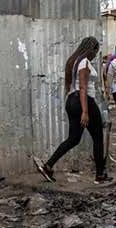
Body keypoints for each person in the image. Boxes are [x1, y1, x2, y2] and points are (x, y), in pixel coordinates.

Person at [34, 36, 111, 183]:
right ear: (92, 49)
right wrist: (85, 112)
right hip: (84, 101)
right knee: (98, 138)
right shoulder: (84, 63)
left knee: (73, 139)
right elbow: (82, 87)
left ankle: (48, 165)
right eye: (96, 51)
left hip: (72, 101)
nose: (96, 54)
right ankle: (100, 175)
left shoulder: (74, 60)